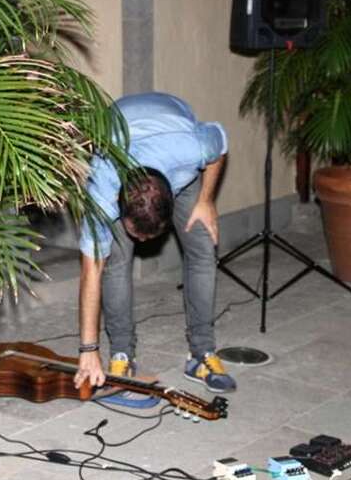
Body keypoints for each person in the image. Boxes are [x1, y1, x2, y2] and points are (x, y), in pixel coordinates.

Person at [72, 92, 237, 394]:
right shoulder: (103, 186)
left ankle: (202, 354)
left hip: (173, 142)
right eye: (136, 234)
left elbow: (220, 143)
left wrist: (206, 200)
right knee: (115, 264)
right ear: (118, 205)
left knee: (203, 248)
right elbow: (90, 271)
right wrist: (88, 349)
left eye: (149, 237)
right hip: (122, 140)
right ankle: (121, 354)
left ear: (172, 200)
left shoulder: (191, 149)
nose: (142, 242)